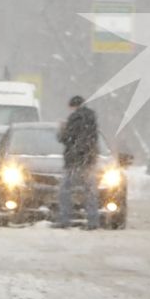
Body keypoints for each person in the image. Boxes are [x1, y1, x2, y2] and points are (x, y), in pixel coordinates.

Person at [55, 95, 101, 230]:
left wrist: (62, 129)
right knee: (90, 191)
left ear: (73, 106)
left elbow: (65, 138)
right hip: (89, 159)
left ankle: (65, 219)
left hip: (74, 160)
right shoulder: (92, 119)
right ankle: (93, 220)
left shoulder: (74, 119)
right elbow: (93, 139)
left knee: (65, 190)